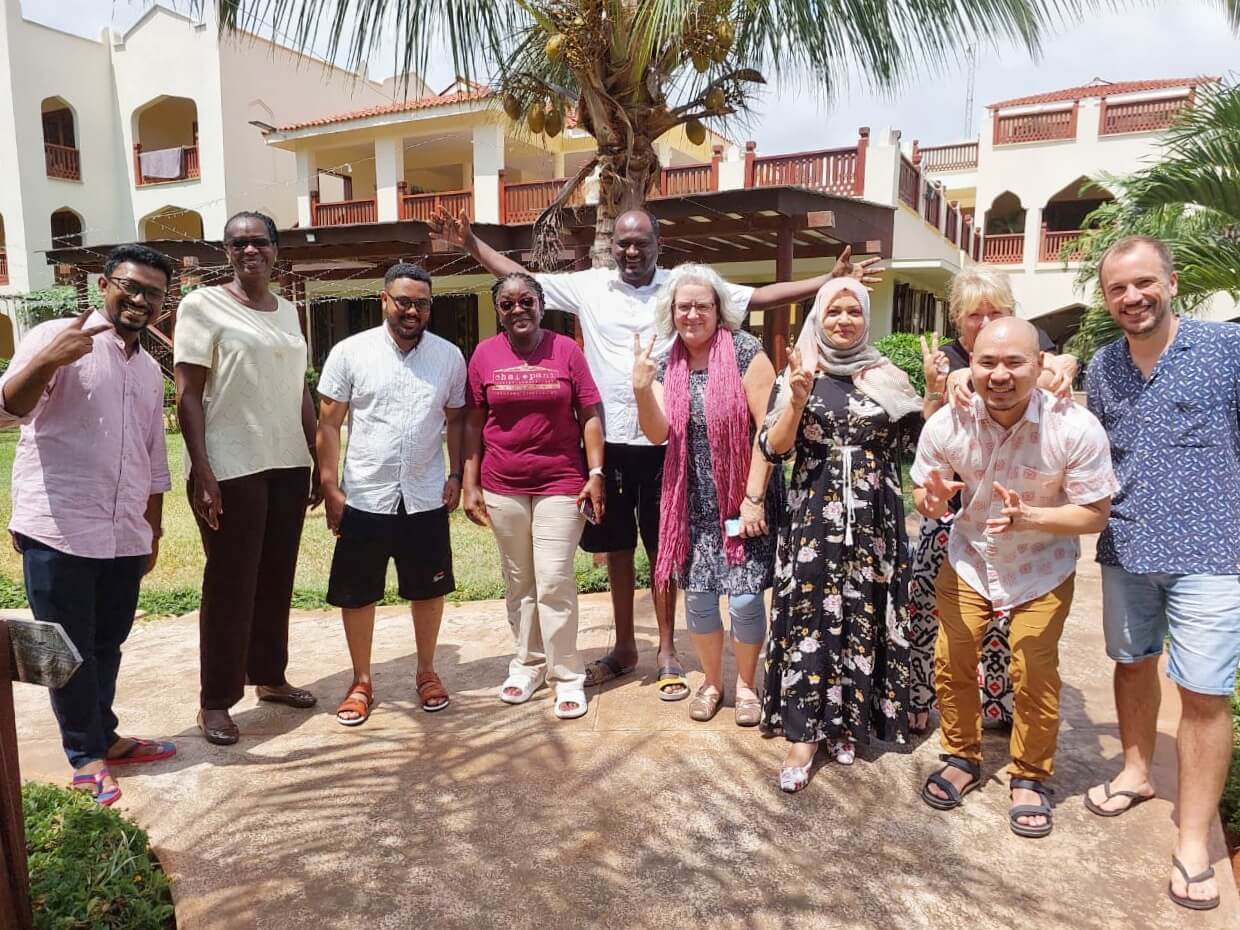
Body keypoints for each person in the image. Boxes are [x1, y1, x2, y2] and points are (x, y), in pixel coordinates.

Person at [429, 205, 879, 701]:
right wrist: (470, 244)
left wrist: (828, 283)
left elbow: (763, 294)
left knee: (666, 544)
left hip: (669, 442)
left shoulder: (682, 286)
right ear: (612, 246)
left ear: (657, 243)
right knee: (617, 547)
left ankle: (667, 649)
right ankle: (624, 647)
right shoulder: (590, 285)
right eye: (622, 241)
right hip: (608, 445)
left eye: (641, 241)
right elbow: (521, 278)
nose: (631, 249)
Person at [912, 317, 1117, 838]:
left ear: (1040, 365)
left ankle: (1030, 774)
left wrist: (1034, 518)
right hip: (970, 556)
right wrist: (932, 501)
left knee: (1033, 665)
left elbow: (1095, 513)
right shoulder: (948, 423)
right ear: (970, 365)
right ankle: (961, 755)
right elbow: (925, 495)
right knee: (952, 658)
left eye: (1014, 362)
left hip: (1041, 564)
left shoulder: (1073, 427)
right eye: (987, 362)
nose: (999, 375)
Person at [1082, 236, 1240, 910]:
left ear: (1172, 282)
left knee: (1204, 693)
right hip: (1125, 549)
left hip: (1211, 552)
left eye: (1144, 283)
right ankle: (1138, 771)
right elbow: (1087, 458)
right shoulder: (1102, 368)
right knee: (1131, 663)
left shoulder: (1226, 353)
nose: (1132, 297)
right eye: (1118, 288)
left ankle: (1195, 838)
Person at [0, 244, 178, 805]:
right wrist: (51, 359)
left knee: (109, 641)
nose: (139, 298)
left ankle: (106, 734)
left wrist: (152, 528)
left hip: (123, 531)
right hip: (59, 525)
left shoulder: (149, 369)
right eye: (129, 285)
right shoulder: (58, 336)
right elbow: (8, 408)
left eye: (152, 292)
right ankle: (86, 755)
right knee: (67, 649)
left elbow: (154, 458)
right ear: (105, 285)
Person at [759, 278, 924, 792]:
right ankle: (803, 734)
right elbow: (775, 449)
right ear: (820, 316)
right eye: (835, 311)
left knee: (864, 609)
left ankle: (847, 723)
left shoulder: (887, 375)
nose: (844, 320)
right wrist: (797, 400)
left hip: (875, 519)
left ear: (866, 317)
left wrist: (937, 396)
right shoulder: (800, 370)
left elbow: (922, 443)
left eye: (854, 311)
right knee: (811, 615)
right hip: (814, 518)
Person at [907, 267, 1081, 732]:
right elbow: (930, 436)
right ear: (958, 320)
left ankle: (998, 704)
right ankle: (923, 696)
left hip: (1017, 514)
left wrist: (1069, 363)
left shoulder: (1025, 349)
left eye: (995, 312)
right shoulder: (948, 360)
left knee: (1009, 624)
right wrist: (935, 387)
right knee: (932, 610)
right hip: (955, 509)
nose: (984, 322)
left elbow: (1055, 370)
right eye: (973, 315)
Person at [174, 211, 321, 746]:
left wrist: (315, 457)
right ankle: (215, 699)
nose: (249, 251)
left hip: (285, 462)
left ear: (276, 250)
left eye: (259, 242)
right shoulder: (202, 305)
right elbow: (187, 392)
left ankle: (270, 676)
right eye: (238, 244)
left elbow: (298, 388)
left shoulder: (288, 311)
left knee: (276, 575)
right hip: (230, 464)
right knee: (231, 581)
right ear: (227, 252)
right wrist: (203, 470)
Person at [316, 263, 465, 724]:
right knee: (358, 593)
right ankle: (361, 681)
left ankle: (426, 671)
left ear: (430, 306)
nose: (412, 310)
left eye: (421, 303)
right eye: (403, 301)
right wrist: (329, 485)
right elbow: (329, 422)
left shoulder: (448, 357)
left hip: (424, 494)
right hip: (365, 494)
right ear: (384, 300)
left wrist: (456, 474)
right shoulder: (350, 353)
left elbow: (457, 419)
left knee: (428, 589)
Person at [631, 264, 780, 725]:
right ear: (671, 312)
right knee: (698, 600)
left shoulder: (744, 351)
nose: (692, 313)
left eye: (702, 305)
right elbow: (658, 434)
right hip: (690, 502)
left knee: (745, 600)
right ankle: (713, 682)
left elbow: (769, 431)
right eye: (684, 306)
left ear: (719, 310)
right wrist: (640, 389)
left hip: (743, 498)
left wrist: (753, 498)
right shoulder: (667, 361)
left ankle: (748, 687)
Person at [462, 272, 603, 720]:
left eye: (527, 301)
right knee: (519, 580)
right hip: (502, 484)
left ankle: (567, 675)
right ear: (498, 311)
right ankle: (527, 664)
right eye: (507, 304)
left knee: (555, 578)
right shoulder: (484, 355)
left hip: (561, 482)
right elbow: (472, 422)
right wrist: (470, 482)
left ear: (542, 306)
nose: (517, 309)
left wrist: (596, 472)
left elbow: (590, 413)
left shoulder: (567, 350)